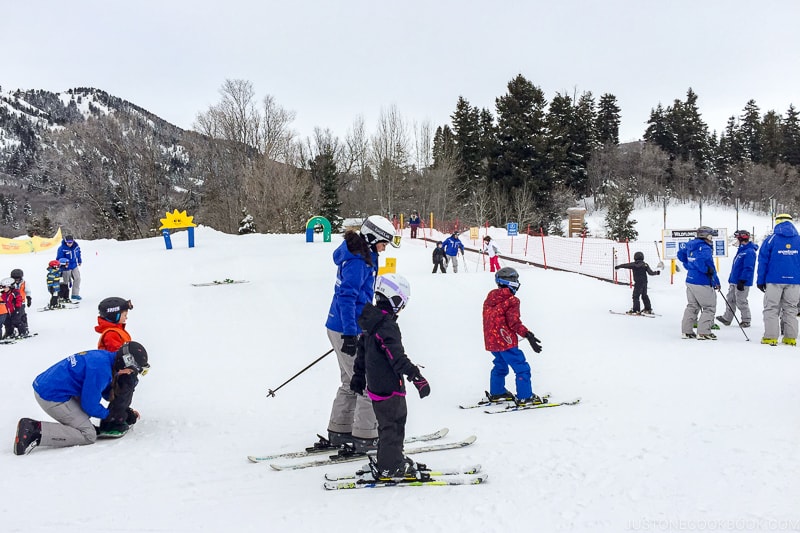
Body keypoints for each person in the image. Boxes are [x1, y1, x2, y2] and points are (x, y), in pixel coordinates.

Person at [323, 215, 399, 453]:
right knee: (365, 382)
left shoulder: (363, 254)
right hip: (347, 327)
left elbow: (362, 296)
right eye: (383, 243)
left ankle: (340, 429)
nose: (384, 248)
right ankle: (366, 436)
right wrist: (348, 334)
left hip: (344, 324)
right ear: (371, 237)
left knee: (349, 381)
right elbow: (347, 297)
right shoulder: (357, 260)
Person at [350, 274, 430, 480]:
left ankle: (392, 458)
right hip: (388, 386)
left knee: (388, 425)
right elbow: (396, 356)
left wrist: (358, 377)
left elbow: (362, 352)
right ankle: (390, 466)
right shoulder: (386, 326)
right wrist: (416, 376)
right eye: (402, 303)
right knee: (393, 427)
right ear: (395, 300)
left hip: (376, 386)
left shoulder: (371, 321)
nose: (402, 308)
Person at [13, 341, 149, 455]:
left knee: (85, 420)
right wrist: (111, 415)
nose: (131, 374)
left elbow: (103, 392)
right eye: (132, 370)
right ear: (125, 362)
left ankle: (76, 426)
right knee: (88, 435)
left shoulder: (105, 359)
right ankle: (34, 430)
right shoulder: (101, 370)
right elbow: (89, 405)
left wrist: (124, 411)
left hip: (48, 386)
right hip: (51, 396)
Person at [482, 267, 544, 405]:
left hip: (492, 342)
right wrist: (527, 335)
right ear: (510, 282)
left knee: (500, 366)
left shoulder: (491, 297)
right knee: (521, 367)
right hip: (506, 342)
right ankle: (525, 396)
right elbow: (514, 323)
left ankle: (497, 392)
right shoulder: (512, 300)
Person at [756, 214, 800, 346]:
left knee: (771, 308)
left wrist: (760, 280)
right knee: (791, 309)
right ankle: (790, 338)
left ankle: (770, 337)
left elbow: (763, 261)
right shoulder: (798, 239)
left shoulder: (771, 239)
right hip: (794, 281)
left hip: (774, 280)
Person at [677, 226, 721, 340]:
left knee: (692, 306)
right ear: (706, 236)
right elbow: (704, 263)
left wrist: (689, 265)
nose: (712, 239)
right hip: (702, 281)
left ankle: (686, 331)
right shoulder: (705, 248)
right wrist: (707, 271)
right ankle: (704, 332)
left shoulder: (690, 245)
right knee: (709, 307)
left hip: (690, 279)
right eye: (711, 236)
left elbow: (681, 254)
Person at [716, 230, 757, 328]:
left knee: (741, 300)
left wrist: (742, 280)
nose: (736, 240)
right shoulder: (741, 250)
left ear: (741, 238)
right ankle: (727, 318)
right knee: (730, 299)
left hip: (742, 281)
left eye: (737, 238)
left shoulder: (749, 251)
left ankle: (746, 320)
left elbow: (748, 268)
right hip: (734, 280)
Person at [56, 234, 82, 301]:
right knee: (65, 282)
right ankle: (64, 296)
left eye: (71, 242)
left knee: (77, 278)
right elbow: (59, 258)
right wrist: (64, 262)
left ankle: (75, 294)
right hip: (66, 267)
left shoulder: (76, 247)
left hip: (74, 265)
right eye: (68, 242)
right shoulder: (61, 249)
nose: (69, 244)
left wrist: (79, 260)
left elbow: (78, 253)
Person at [10, 268, 30, 334]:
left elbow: (27, 291)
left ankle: (24, 328)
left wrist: (29, 298)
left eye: (18, 279)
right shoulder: (10, 283)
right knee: (13, 316)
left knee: (21, 315)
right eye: (15, 279)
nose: (16, 280)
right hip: (12, 302)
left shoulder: (24, 283)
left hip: (22, 302)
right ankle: (11, 330)